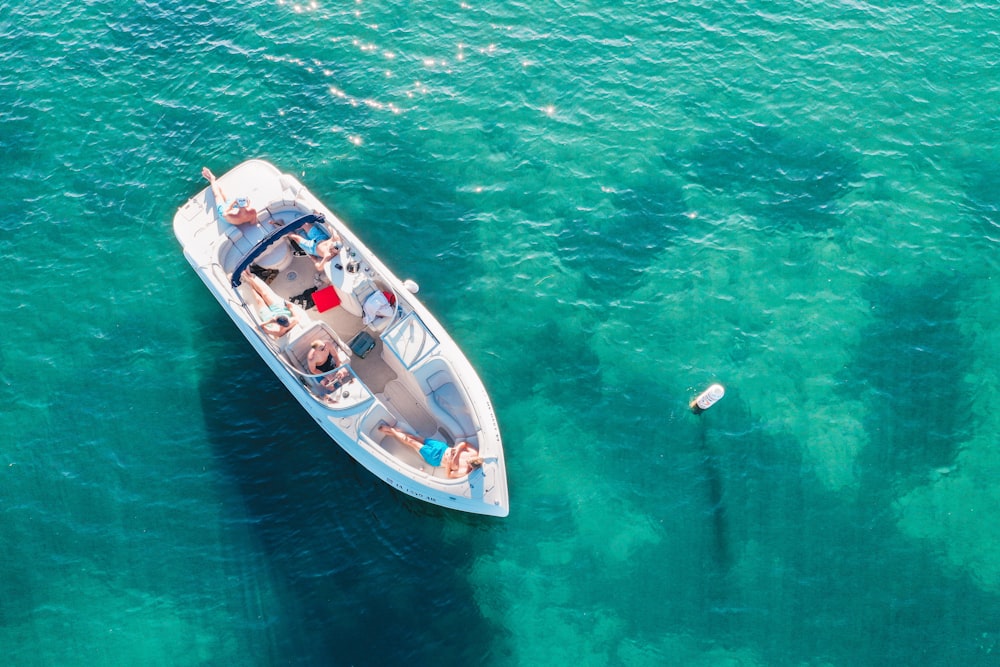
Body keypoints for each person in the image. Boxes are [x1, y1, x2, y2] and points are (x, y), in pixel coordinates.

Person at [377, 424, 484, 478]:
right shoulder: (474, 453)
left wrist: (449, 462)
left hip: (435, 457)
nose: (467, 459)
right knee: (414, 438)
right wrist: (457, 450)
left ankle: (391, 430)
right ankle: (394, 434)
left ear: (471, 466)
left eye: (469, 462)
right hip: (442, 447)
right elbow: (464, 444)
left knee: (410, 442)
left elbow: (449, 475)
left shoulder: (464, 470)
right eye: (470, 458)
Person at [243, 269, 298, 339]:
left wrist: (270, 321)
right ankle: (249, 276)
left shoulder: (278, 332)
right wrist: (289, 306)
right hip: (281, 311)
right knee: (265, 294)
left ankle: (249, 283)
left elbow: (258, 327)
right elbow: (292, 309)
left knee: (259, 300)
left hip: (270, 320)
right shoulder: (294, 320)